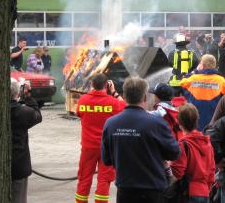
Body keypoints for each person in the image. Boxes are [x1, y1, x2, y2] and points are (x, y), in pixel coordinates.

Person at [101, 77, 180, 203]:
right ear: (144, 97)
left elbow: (106, 160)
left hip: (125, 190)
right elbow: (174, 153)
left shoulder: (110, 124)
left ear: (124, 96)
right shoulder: (157, 124)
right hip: (153, 190)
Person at [75, 73, 126, 203]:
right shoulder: (113, 102)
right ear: (107, 85)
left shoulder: (82, 100)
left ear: (92, 85)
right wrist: (114, 93)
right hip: (107, 148)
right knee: (104, 179)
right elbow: (127, 108)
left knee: (84, 177)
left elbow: (79, 114)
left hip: (88, 147)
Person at [170, 104, 215, 203]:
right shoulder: (207, 143)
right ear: (196, 121)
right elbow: (211, 170)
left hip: (188, 192)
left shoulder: (183, 144)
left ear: (180, 123)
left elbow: (177, 172)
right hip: (204, 192)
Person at [10, 78, 42, 203]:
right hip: (18, 165)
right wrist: (28, 96)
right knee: (18, 198)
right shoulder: (22, 112)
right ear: (18, 93)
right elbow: (37, 116)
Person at [180, 54, 225, 131]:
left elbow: (182, 82)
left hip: (195, 124)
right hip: (214, 124)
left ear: (202, 65)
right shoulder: (221, 81)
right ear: (215, 65)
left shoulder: (193, 78)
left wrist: (195, 71)